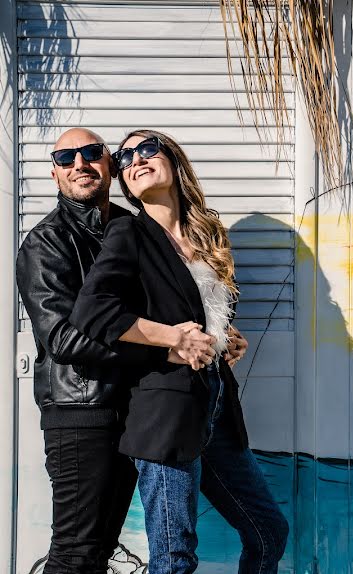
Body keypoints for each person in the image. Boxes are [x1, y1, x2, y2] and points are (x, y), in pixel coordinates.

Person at [70, 129, 289, 574]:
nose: (135, 159)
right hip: (165, 413)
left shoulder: (209, 234)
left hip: (217, 407)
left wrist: (226, 336)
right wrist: (173, 338)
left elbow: (201, 309)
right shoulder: (127, 233)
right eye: (124, 156)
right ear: (125, 182)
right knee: (174, 559)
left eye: (147, 148)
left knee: (268, 532)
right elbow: (92, 311)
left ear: (174, 160)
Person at [15, 128, 216, 573]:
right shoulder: (46, 242)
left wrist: (215, 334)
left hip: (131, 410)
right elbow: (64, 340)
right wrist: (163, 350)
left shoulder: (130, 227)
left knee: (100, 550)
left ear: (108, 165)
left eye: (90, 153)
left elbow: (160, 307)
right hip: (80, 413)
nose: (79, 164)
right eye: (66, 158)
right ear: (55, 173)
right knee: (75, 551)